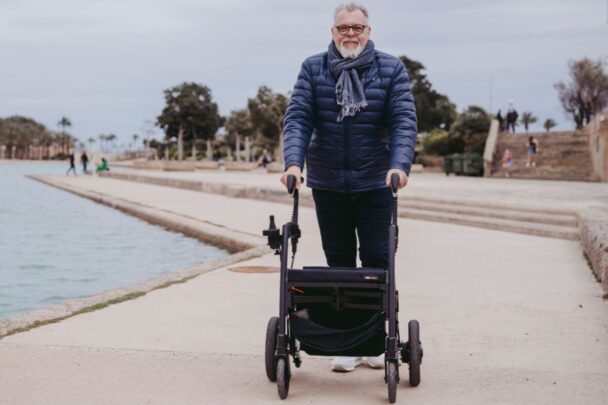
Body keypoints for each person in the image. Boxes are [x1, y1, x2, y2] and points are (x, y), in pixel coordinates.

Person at [281, 3, 417, 373]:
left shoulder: (391, 69)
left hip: (376, 182)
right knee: (338, 264)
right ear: (333, 32)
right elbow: (298, 118)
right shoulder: (313, 68)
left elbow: (404, 120)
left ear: (369, 32)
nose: (350, 34)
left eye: (358, 27)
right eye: (344, 28)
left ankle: (374, 342)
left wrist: (399, 166)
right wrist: (293, 163)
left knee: (376, 262)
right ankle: (345, 342)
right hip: (328, 183)